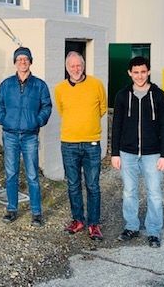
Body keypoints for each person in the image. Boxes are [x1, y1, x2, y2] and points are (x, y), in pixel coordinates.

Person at [110, 56, 164, 248]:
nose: (139, 76)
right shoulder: (122, 95)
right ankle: (131, 226)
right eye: (135, 72)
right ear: (130, 73)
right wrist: (115, 153)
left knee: (154, 193)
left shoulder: (159, 95)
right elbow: (117, 125)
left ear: (149, 72)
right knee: (130, 192)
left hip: (152, 154)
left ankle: (153, 231)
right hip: (127, 153)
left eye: (143, 72)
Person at [0, 47, 52, 227]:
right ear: (15, 62)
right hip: (10, 134)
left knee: (33, 175)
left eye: (25, 59)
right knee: (11, 174)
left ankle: (36, 212)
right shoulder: (6, 84)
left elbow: (46, 106)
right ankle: (12, 209)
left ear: (30, 61)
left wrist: (37, 121)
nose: (22, 62)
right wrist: (4, 119)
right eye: (19, 59)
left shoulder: (40, 85)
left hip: (30, 136)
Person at [54, 51, 107, 240]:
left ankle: (94, 224)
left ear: (83, 66)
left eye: (78, 65)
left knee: (93, 185)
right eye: (72, 66)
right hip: (69, 143)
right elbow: (62, 110)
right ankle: (78, 220)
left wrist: (88, 126)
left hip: (92, 143)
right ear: (67, 68)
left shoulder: (96, 84)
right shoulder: (60, 89)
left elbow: (102, 109)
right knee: (73, 184)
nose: (76, 69)